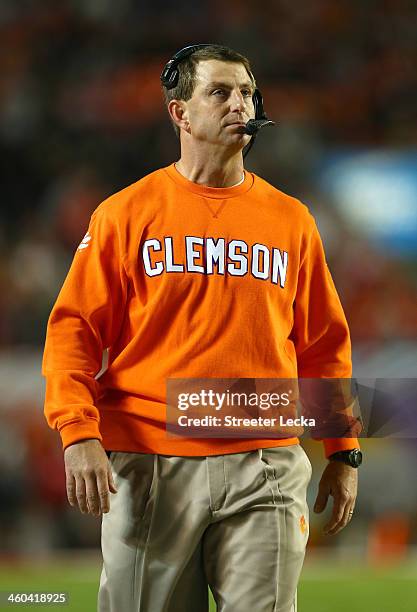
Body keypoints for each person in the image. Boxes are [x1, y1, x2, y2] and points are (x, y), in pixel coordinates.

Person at [42, 44, 361, 612]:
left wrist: (343, 451)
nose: (240, 103)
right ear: (180, 113)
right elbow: (73, 332)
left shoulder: (291, 219)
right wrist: (78, 431)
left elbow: (323, 347)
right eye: (220, 92)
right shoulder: (125, 214)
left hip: (266, 459)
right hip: (150, 461)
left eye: (247, 92)